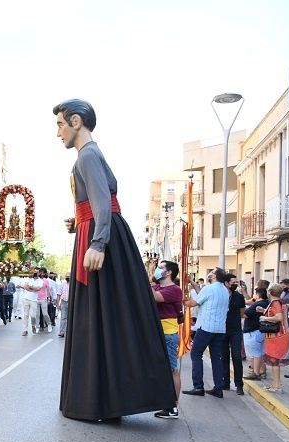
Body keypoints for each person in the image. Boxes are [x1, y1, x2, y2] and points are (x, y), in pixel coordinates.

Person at [54, 99, 175, 420]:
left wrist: (97, 242)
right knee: (108, 319)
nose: (58, 132)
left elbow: (103, 203)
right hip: (95, 231)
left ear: (76, 122)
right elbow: (95, 203)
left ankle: (102, 400)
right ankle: (109, 399)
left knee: (101, 318)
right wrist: (78, 223)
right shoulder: (90, 155)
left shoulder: (87, 156)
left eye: (60, 124)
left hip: (100, 238)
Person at [183, 268, 229, 398]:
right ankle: (218, 388)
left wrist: (182, 300)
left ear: (214, 276)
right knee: (216, 357)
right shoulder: (224, 290)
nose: (209, 274)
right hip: (219, 328)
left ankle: (198, 387)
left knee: (196, 354)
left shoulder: (209, 289)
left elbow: (193, 302)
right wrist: (192, 282)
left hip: (206, 327)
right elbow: (202, 295)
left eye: (212, 272)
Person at [151, 260, 184, 419]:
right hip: (157, 333)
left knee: (172, 370)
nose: (158, 270)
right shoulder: (157, 286)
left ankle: (173, 407)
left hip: (169, 335)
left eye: (161, 267)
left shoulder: (175, 290)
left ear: (169, 272)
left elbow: (155, 297)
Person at [257, 283, 289, 393]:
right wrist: (264, 311)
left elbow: (279, 317)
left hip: (277, 336)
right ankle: (275, 384)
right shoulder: (279, 302)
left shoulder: (275, 303)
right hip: (279, 335)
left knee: (274, 361)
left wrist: (264, 318)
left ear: (270, 292)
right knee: (275, 362)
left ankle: (277, 386)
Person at [222, 273, 246, 395]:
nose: (235, 284)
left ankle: (239, 385)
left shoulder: (239, 297)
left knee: (237, 357)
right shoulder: (220, 295)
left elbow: (242, 313)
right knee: (224, 357)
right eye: (233, 282)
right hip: (222, 330)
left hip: (236, 330)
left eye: (236, 282)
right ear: (226, 283)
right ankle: (225, 383)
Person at [243, 287, 268, 382]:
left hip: (253, 331)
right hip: (261, 331)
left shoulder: (257, 304)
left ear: (258, 295)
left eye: (254, 293)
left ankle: (256, 373)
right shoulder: (267, 303)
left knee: (256, 353)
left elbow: (245, 314)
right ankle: (261, 371)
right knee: (260, 352)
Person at [56, 273, 70, 338]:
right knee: (63, 317)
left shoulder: (73, 284)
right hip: (64, 302)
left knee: (70, 318)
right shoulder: (62, 284)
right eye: (67, 276)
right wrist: (57, 304)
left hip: (71, 302)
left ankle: (69, 332)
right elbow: (59, 294)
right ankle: (62, 332)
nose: (68, 277)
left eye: (69, 276)